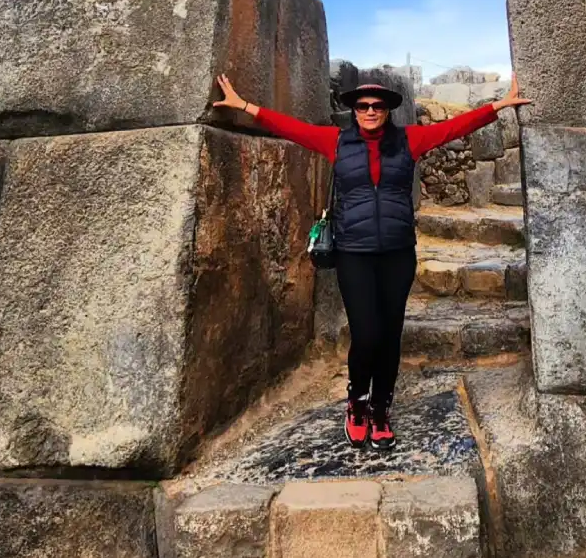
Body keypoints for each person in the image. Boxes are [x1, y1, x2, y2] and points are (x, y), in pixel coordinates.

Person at [213, 71, 533, 452]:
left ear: (387, 111)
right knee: (365, 334)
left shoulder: (408, 140)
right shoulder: (336, 141)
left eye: (377, 106)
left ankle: (381, 407)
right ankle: (357, 401)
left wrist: (499, 105)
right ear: (354, 110)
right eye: (362, 106)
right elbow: (291, 128)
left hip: (398, 254)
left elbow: (454, 128)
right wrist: (244, 106)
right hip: (354, 254)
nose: (369, 111)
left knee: (390, 335)